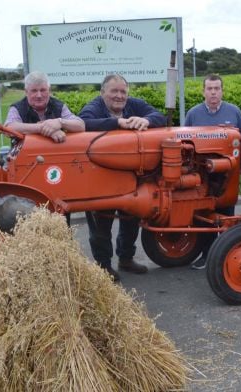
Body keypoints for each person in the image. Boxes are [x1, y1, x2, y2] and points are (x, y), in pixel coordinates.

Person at [79, 74, 167, 281]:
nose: (119, 96)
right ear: (103, 93)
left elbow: (159, 116)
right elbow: (84, 122)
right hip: (101, 178)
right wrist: (118, 123)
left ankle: (126, 259)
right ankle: (103, 267)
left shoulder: (135, 105)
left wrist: (146, 120)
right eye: (114, 91)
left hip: (132, 176)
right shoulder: (93, 107)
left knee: (131, 219)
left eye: (123, 92)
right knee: (100, 225)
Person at [183, 74, 241, 270]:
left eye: (217, 88)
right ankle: (207, 255)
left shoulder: (234, 112)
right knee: (204, 216)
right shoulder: (193, 114)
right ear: (203, 91)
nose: (213, 92)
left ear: (222, 91)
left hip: (227, 174)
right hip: (202, 175)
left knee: (226, 214)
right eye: (210, 88)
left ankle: (228, 254)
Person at [5, 71, 85, 142]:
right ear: (26, 92)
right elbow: (9, 128)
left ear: (49, 91)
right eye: (34, 91)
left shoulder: (59, 106)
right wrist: (44, 128)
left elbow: (81, 125)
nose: (39, 95)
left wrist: (60, 122)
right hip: (25, 155)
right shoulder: (17, 108)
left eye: (43, 90)